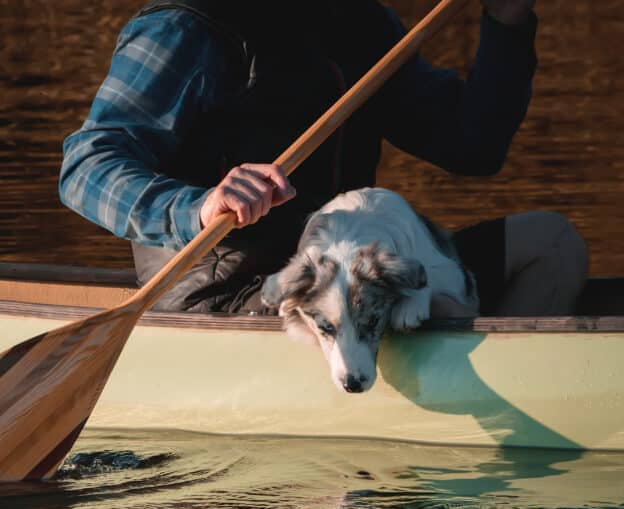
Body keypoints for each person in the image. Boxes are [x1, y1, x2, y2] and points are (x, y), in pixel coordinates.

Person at [58, 0, 588, 316]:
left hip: (356, 274)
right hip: (235, 294)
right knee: (406, 299)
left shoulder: (358, 23)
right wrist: (200, 206)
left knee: (550, 245)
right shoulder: (188, 24)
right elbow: (87, 166)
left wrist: (508, 21)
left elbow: (473, 145)